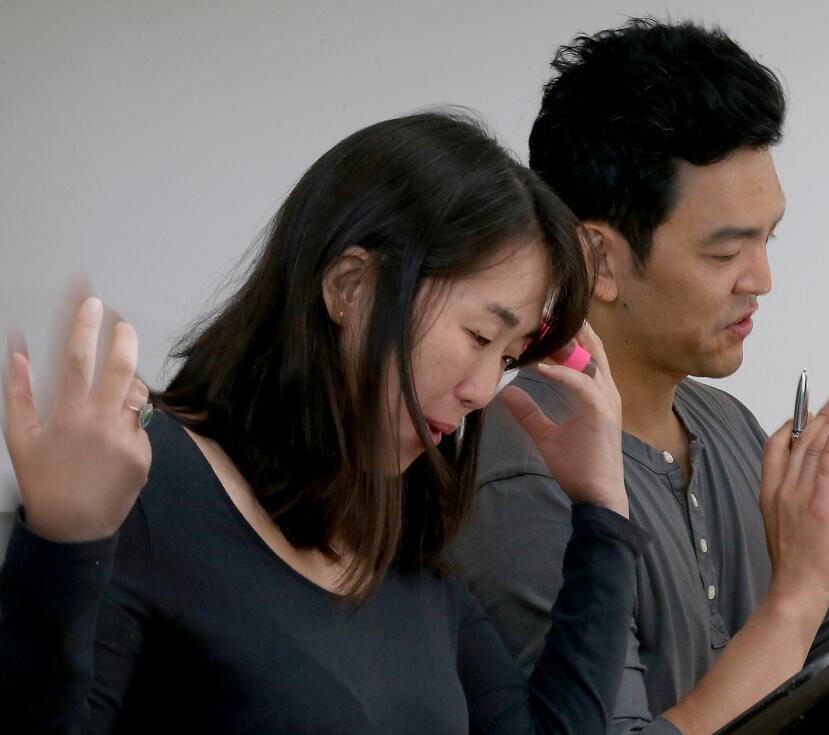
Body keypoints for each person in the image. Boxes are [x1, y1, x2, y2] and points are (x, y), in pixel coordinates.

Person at [0, 112, 648, 733]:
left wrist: (603, 510)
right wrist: (65, 539)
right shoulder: (153, 488)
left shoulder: (400, 544)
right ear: (349, 285)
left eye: (507, 358)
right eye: (478, 334)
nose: (483, 389)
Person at [449, 20, 829, 734]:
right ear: (598, 260)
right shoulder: (524, 468)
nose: (762, 279)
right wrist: (792, 597)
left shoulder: (724, 424)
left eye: (769, 238)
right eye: (726, 251)